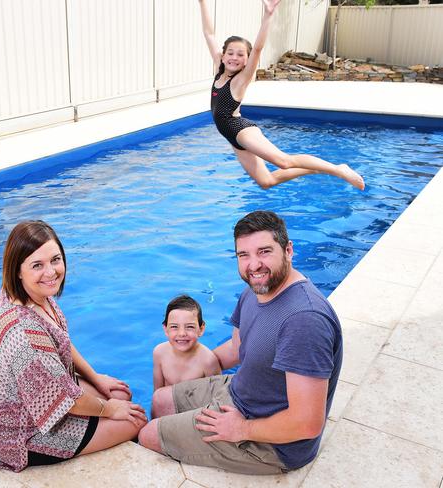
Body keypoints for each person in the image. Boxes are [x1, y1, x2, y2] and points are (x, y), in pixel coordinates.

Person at [138, 210, 343, 475]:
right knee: (160, 400)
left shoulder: (304, 320)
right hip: (240, 392)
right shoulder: (255, 290)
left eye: (264, 252)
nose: (253, 265)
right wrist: (190, 364)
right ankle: (181, 442)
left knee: (148, 435)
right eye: (243, 255)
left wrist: (241, 429)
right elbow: (237, 348)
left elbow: (307, 423)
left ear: (288, 250)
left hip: (272, 443)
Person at [0, 220, 147, 472]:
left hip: (31, 399)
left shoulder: (23, 293)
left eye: (55, 260)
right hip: (20, 433)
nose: (51, 272)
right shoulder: (25, 335)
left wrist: (96, 378)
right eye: (37, 265)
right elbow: (66, 401)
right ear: (18, 270)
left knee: (120, 394)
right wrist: (109, 410)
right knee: (136, 420)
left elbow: (61, 341)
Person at [198, 0, 364, 190]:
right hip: (230, 136)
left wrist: (268, 15)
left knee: (283, 161)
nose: (234, 58)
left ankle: (338, 169)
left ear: (247, 61)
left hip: (241, 131)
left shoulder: (240, 79)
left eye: (241, 55)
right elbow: (209, 33)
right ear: (223, 55)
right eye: (230, 53)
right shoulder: (218, 70)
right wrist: (202, 2)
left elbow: (258, 48)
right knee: (266, 181)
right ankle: (317, 168)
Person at [152, 294, 221, 391]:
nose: (182, 334)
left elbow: (217, 395)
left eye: (190, 327)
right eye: (174, 327)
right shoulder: (159, 352)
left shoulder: (208, 361)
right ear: (165, 329)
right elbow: (157, 392)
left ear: (201, 329)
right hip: (166, 404)